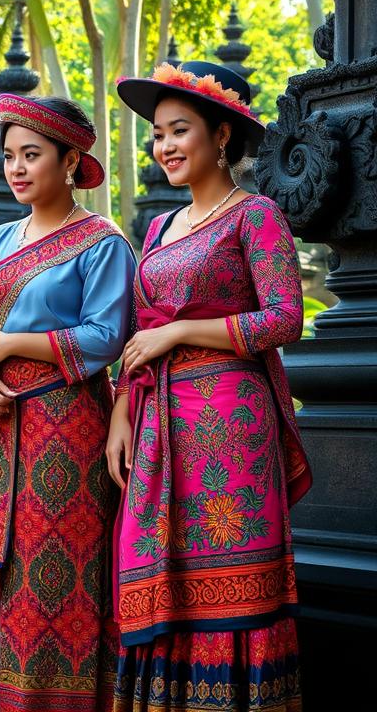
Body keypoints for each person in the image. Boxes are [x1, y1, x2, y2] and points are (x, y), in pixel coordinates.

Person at [108, 61, 312, 710]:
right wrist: (120, 414)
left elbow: (285, 319)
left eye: (178, 130)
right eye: (157, 135)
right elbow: (139, 330)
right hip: (159, 423)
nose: (163, 146)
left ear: (221, 136)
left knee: (233, 573)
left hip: (230, 426)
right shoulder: (160, 228)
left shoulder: (256, 216)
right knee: (158, 570)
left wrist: (181, 335)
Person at [0, 93, 136, 712]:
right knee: (2, 568)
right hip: (2, 428)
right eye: (9, 156)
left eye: (32, 155)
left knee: (59, 575)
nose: (17, 168)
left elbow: (107, 336)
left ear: (71, 160)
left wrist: (9, 344)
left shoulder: (102, 242)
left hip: (70, 428)